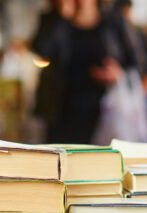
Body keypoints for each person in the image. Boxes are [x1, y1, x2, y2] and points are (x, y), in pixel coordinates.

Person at [32, 0, 137, 143]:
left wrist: (117, 73)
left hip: (104, 107)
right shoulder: (53, 19)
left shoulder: (112, 21)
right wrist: (63, 17)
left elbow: (136, 61)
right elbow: (42, 50)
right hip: (61, 107)